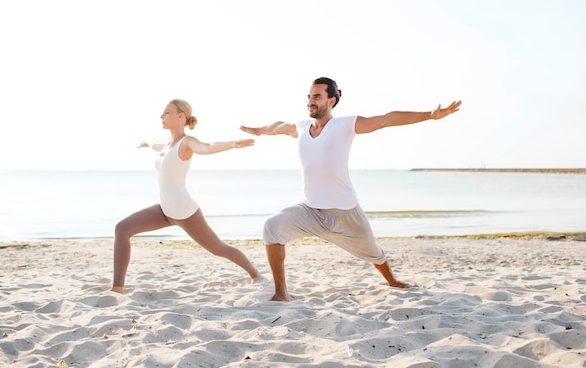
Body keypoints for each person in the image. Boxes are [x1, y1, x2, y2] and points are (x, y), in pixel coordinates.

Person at [240, 77, 461, 301]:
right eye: (309, 96)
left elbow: (386, 119)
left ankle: (392, 281)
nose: (310, 101)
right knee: (272, 228)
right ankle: (281, 293)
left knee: (374, 253)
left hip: (346, 213)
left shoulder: (344, 125)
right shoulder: (302, 127)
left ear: (331, 100)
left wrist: (430, 115)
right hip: (310, 211)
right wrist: (258, 130)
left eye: (317, 96)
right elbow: (276, 127)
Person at [111, 99, 261, 293]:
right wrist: (148, 144)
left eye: (166, 113)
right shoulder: (166, 145)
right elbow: (157, 145)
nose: (161, 116)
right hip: (164, 210)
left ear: (181, 116)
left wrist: (233, 144)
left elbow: (207, 147)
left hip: (184, 211)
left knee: (219, 249)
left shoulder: (187, 142)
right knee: (122, 229)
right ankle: (117, 289)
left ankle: (255, 274)